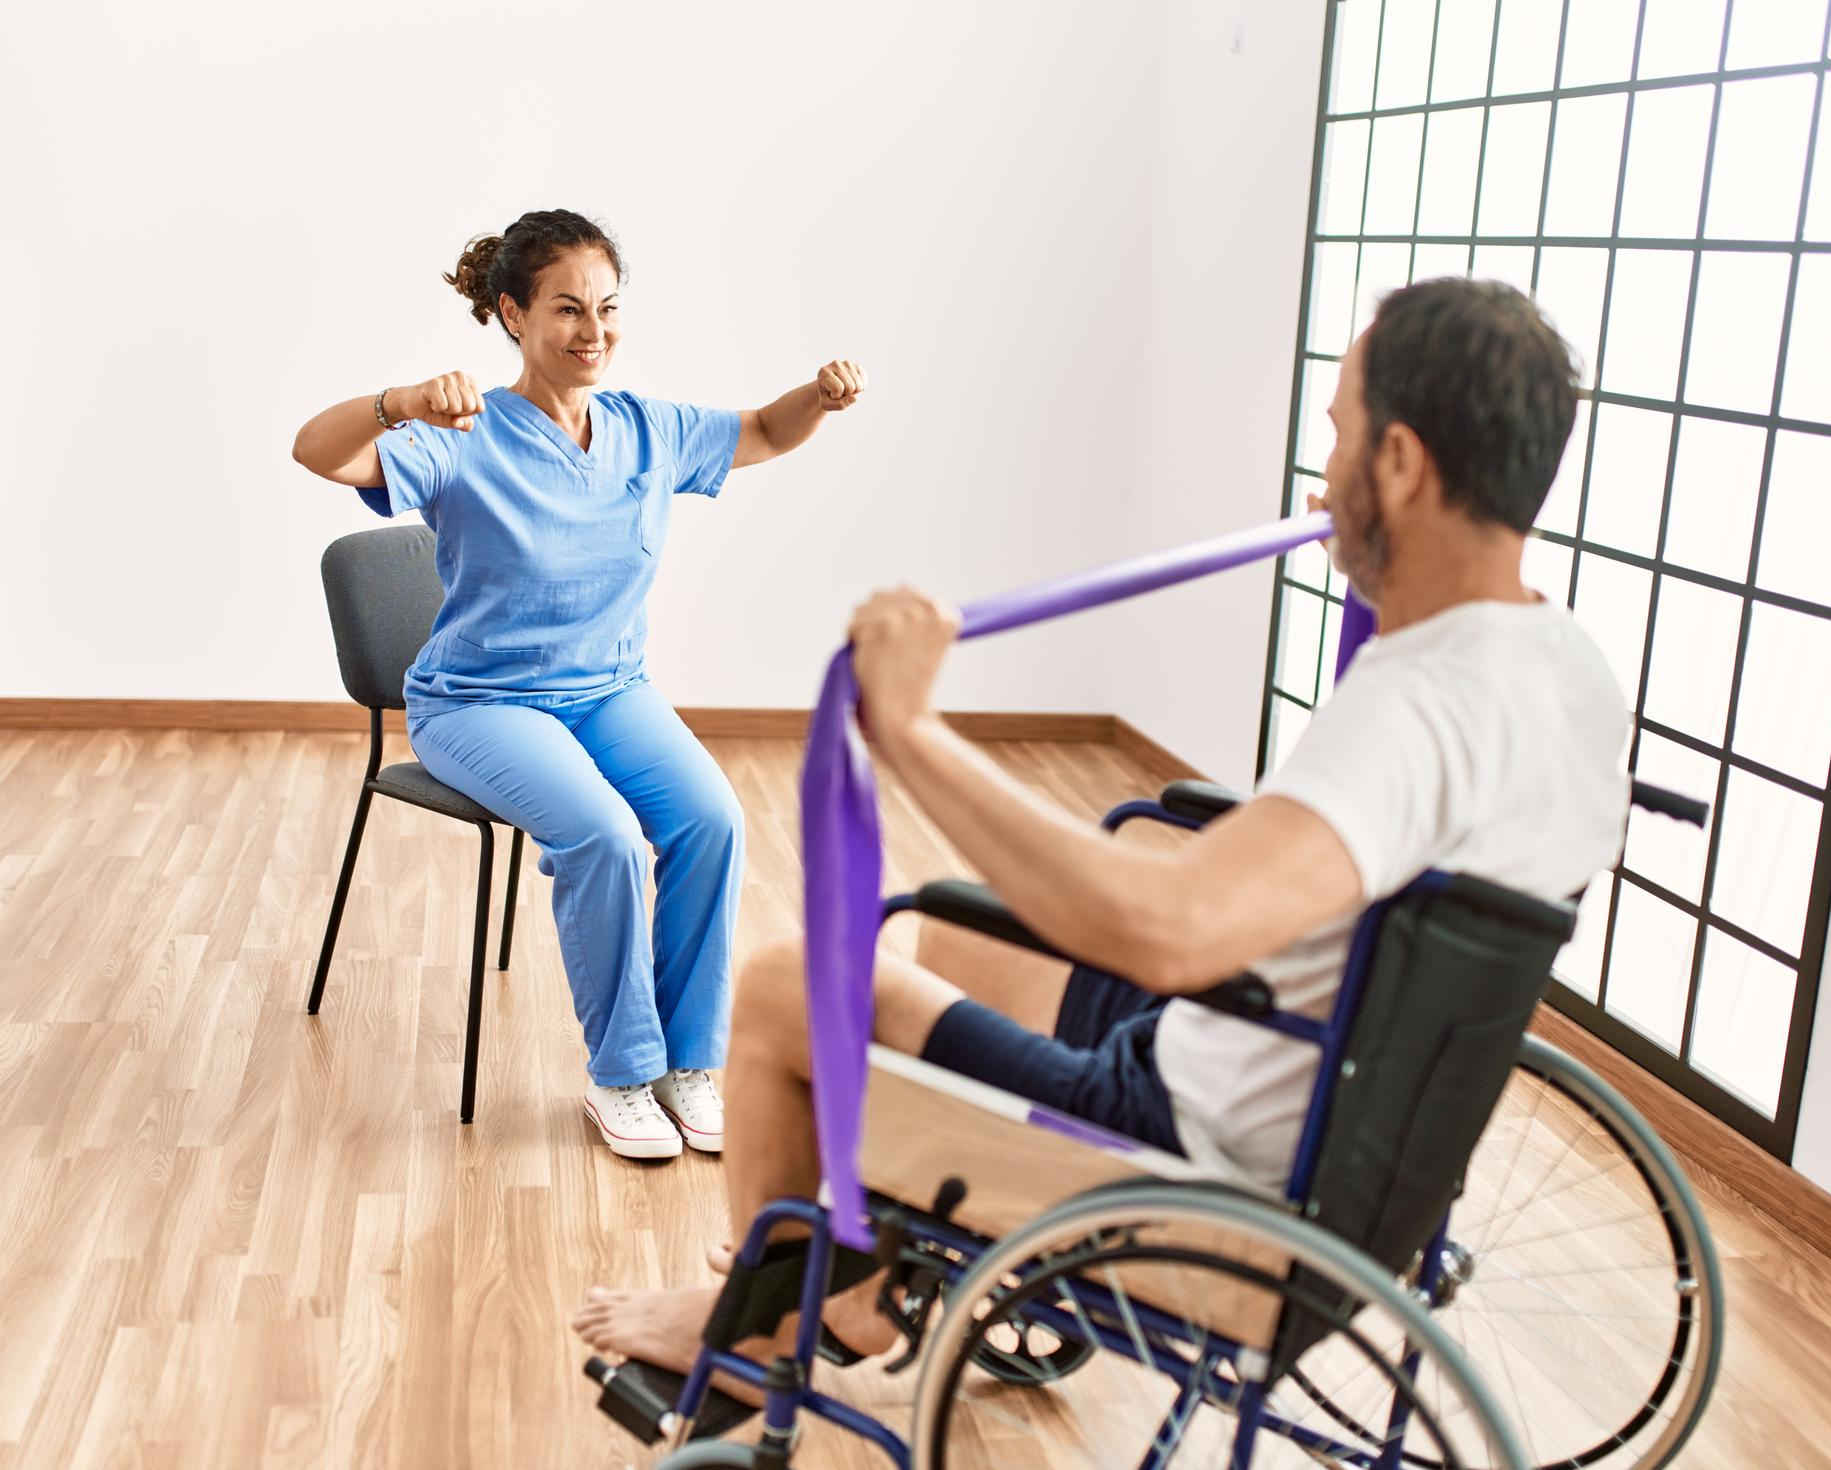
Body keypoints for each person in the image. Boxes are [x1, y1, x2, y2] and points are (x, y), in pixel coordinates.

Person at [571, 276, 1630, 1375]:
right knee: (975, 930)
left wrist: (912, 730)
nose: (1321, 477)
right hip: (1325, 1090)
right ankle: (876, 1264)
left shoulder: (1414, 707)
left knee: (790, 984)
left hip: (1188, 1145)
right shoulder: (1562, 671)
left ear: (1401, 464)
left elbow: (1169, 933)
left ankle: (770, 1316)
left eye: (1339, 436)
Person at [293, 208, 868, 1161]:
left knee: (712, 822)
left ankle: (689, 1063)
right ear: (513, 315)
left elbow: (765, 429)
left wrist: (819, 393)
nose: (592, 332)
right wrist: (399, 400)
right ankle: (619, 1075)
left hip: (608, 691)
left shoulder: (648, 429)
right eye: (567, 309)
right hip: (480, 704)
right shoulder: (462, 430)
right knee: (602, 837)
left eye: (606, 308)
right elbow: (318, 451)